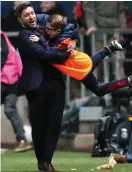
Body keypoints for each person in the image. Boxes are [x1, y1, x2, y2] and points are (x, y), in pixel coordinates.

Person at [15, 2, 77, 172]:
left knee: (55, 123)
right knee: (39, 124)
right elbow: (43, 54)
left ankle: (46, 162)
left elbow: (72, 25)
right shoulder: (24, 36)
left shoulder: (43, 21)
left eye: (32, 13)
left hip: (56, 82)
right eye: (26, 15)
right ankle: (42, 160)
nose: (31, 16)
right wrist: (65, 54)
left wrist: (71, 39)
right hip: (37, 86)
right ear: (21, 20)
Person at [29, 14, 132, 97]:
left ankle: (127, 80)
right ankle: (109, 48)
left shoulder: (62, 41)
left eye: (49, 29)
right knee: (91, 63)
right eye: (46, 28)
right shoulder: (56, 34)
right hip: (81, 61)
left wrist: (40, 40)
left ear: (58, 30)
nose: (46, 30)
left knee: (99, 90)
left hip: (79, 68)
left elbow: (51, 52)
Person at [1, 30, 32, 152]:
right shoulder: (4, 39)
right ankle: (22, 140)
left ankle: (22, 140)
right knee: (10, 110)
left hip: (6, 81)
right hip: (12, 80)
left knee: (10, 110)